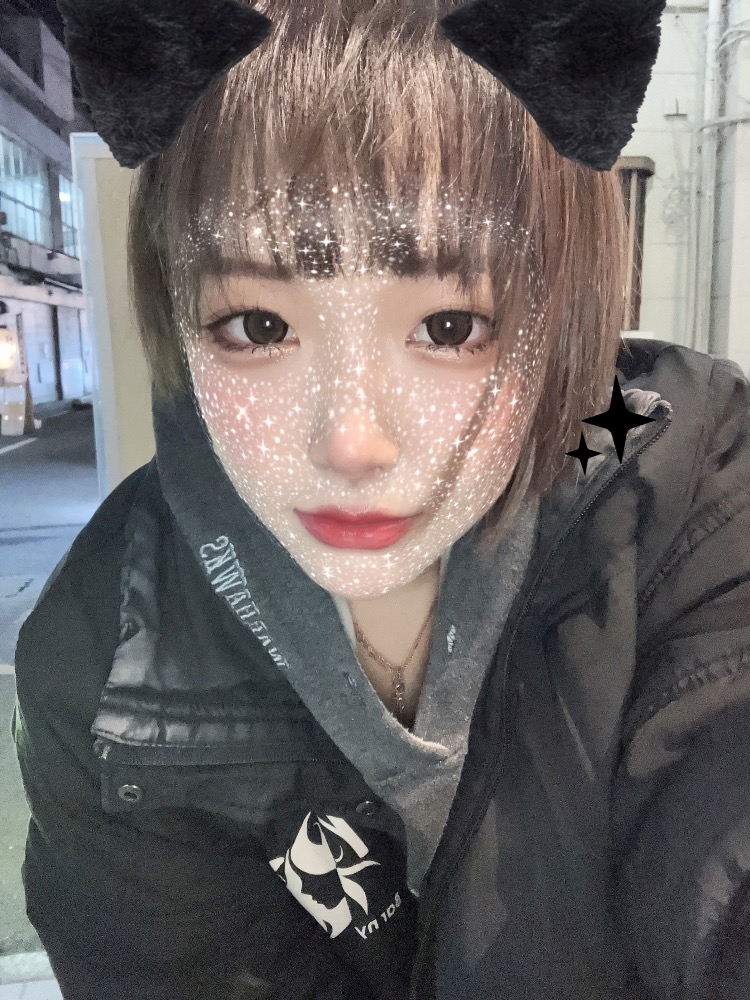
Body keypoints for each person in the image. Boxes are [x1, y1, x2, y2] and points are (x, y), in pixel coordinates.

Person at [11, 0, 750, 998]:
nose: (351, 443)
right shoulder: (108, 648)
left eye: (448, 328)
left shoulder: (694, 483)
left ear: (559, 309)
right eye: (259, 326)